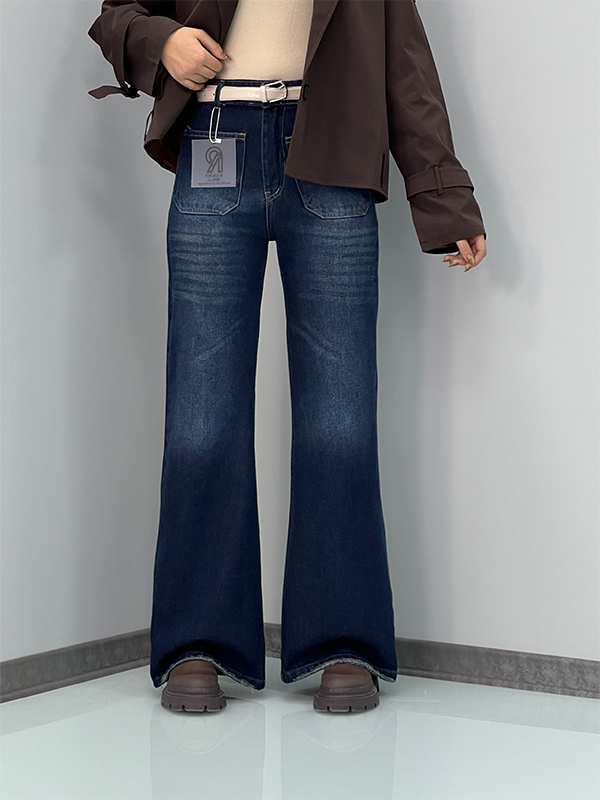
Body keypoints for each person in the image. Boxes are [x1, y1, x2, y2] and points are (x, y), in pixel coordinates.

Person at [89, 0, 487, 714]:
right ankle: (198, 641)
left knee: (340, 419)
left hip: (332, 149)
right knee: (202, 417)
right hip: (216, 138)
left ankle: (343, 641)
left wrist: (444, 196)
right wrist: (164, 42)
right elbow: (119, 14)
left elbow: (405, 62)